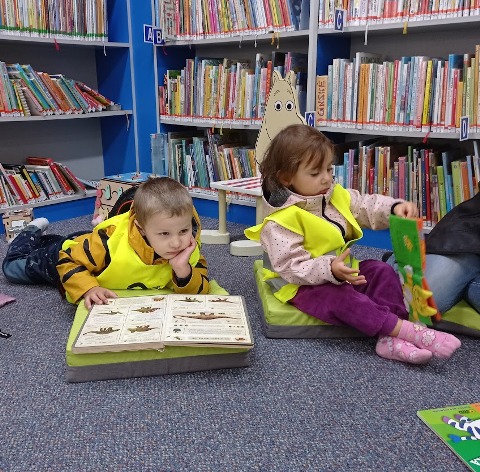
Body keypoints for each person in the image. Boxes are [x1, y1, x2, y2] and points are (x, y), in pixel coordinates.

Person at [245, 124, 461, 365]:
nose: (326, 178)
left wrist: (394, 208)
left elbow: (365, 206)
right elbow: (291, 267)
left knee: (381, 271)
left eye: (329, 169)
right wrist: (330, 269)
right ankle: (407, 331)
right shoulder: (280, 221)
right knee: (342, 299)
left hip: (343, 270)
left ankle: (390, 339)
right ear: (286, 178)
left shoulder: (334, 195)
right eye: (315, 173)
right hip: (302, 285)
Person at [2, 177, 210, 309]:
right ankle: (29, 232)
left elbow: (200, 289)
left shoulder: (189, 245)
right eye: (164, 233)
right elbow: (68, 260)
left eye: (183, 231)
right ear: (140, 229)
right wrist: (88, 289)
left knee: (68, 241)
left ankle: (50, 238)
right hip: (66, 255)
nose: (177, 242)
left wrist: (183, 271)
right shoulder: (108, 242)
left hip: (89, 247)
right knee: (12, 268)